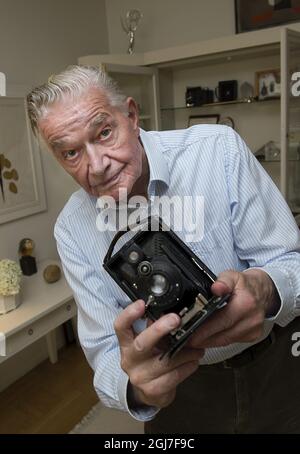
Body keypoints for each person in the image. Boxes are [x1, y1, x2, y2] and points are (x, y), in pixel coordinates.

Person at [26, 65, 300, 434]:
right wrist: (138, 387)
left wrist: (265, 289)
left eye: (105, 132)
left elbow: (290, 262)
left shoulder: (217, 150)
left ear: (132, 116)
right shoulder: (73, 230)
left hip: (276, 366)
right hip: (182, 392)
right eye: (71, 153)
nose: (97, 166)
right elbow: (105, 353)